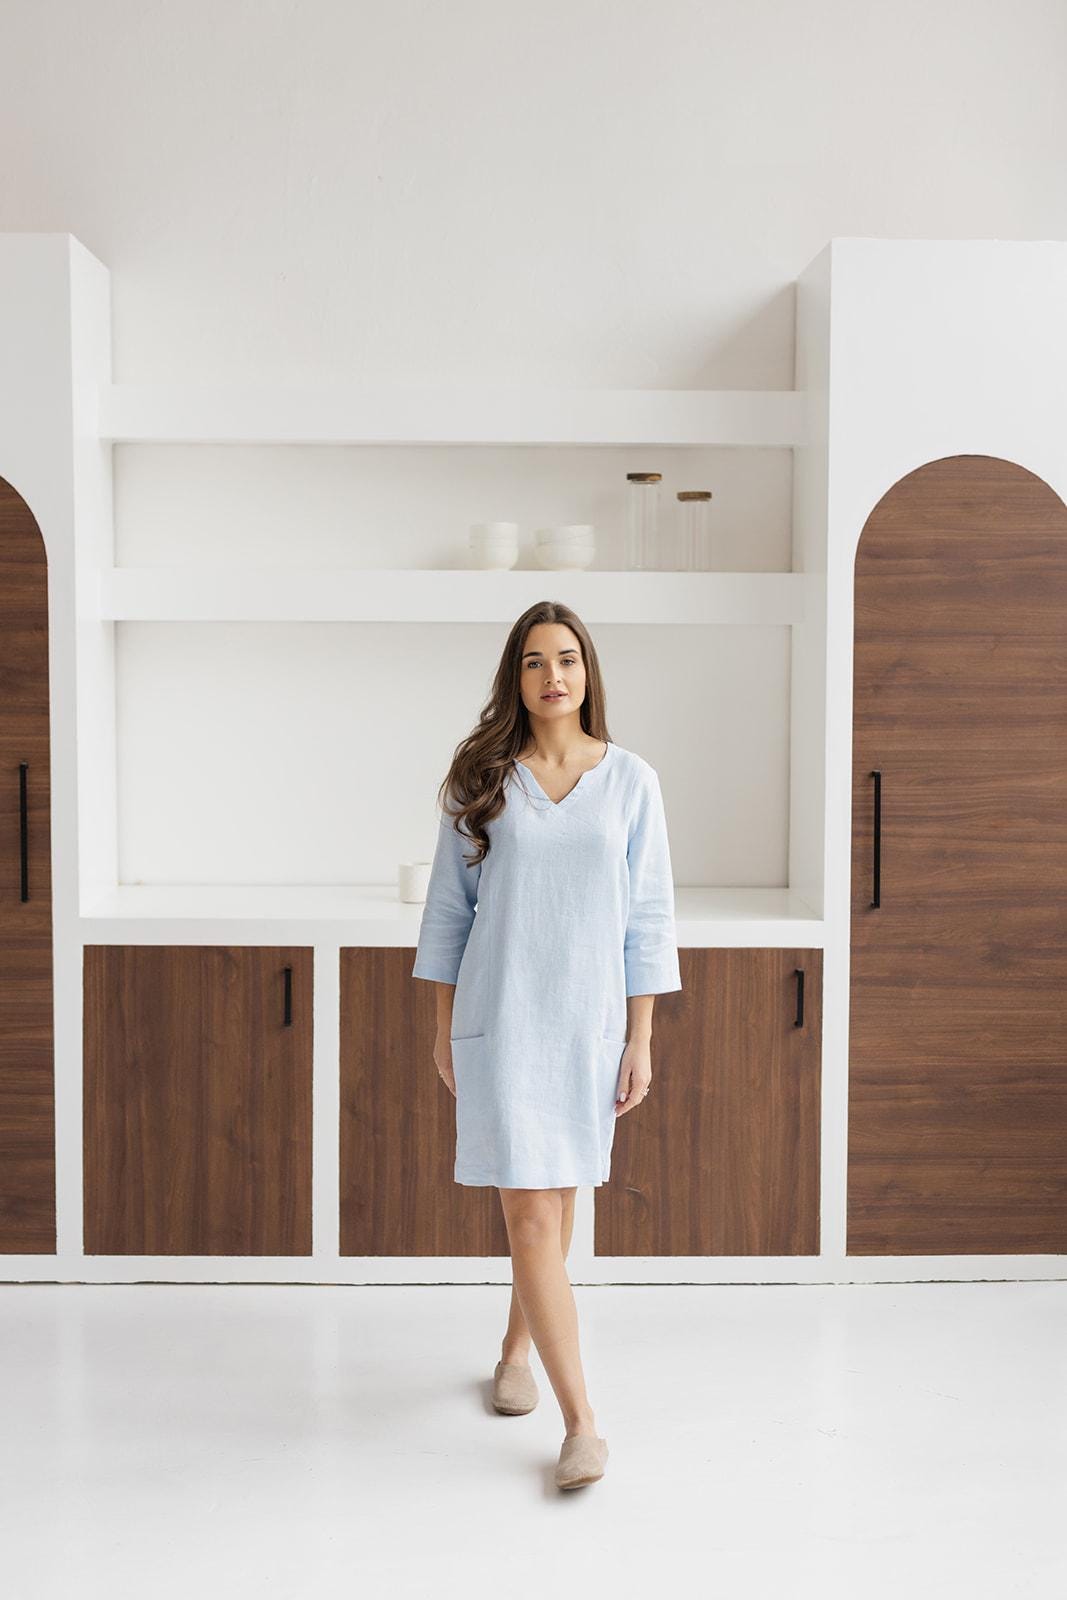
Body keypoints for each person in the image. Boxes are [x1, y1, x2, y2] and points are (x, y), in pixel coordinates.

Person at [412, 599, 682, 1490]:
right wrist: (446, 1029)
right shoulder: (481, 778)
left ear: (588, 672)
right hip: (502, 1017)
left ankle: (511, 1353)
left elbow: (648, 920)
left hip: (587, 1026)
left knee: (556, 1207)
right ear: (515, 677)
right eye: (533, 661)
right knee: (529, 1212)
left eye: (565, 659)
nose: (552, 675)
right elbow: (448, 915)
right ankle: (582, 1425)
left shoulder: (632, 781)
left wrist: (639, 1037)